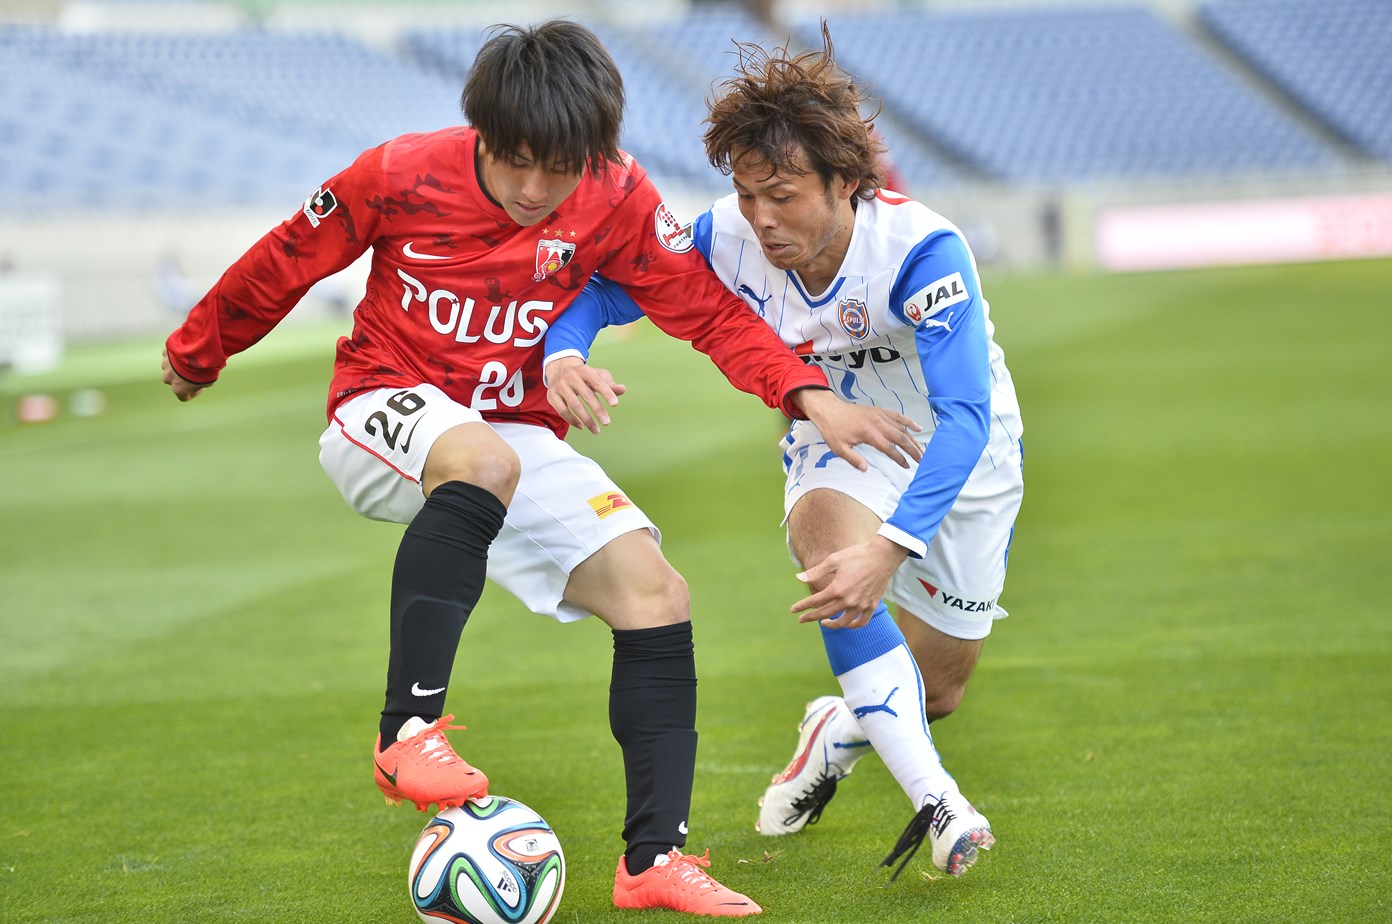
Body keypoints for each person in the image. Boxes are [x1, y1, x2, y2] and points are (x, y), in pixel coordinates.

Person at [160, 20, 920, 918]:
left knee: (655, 593)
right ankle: (407, 733)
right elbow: (289, 257)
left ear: (591, 156)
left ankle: (652, 862)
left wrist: (805, 393)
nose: (530, 188)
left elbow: (707, 313)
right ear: (480, 132)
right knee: (477, 457)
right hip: (381, 403)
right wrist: (199, 350)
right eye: (512, 160)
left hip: (508, 439)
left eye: (554, 168)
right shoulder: (400, 173)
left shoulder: (619, 196)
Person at [543, 24, 1024, 881]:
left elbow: (966, 420)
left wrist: (897, 545)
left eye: (784, 196)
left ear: (846, 183)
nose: (761, 219)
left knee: (938, 691)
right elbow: (612, 289)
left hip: (963, 458)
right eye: (748, 194)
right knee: (833, 560)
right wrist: (565, 351)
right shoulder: (725, 234)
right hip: (834, 443)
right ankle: (940, 802)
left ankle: (833, 730)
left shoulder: (921, 253)